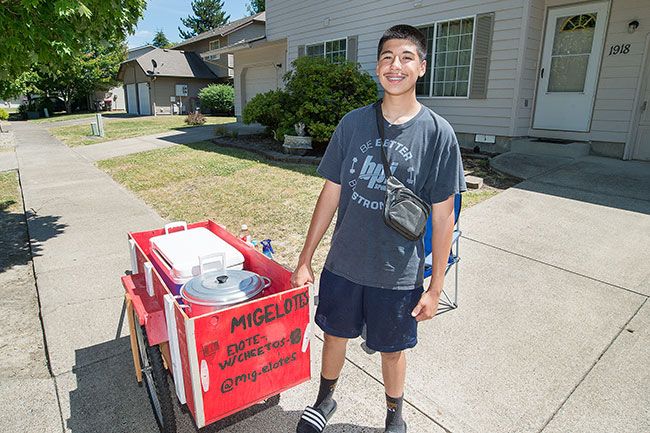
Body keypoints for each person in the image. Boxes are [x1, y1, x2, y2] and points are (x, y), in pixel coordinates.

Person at [291, 24, 467, 433]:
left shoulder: (439, 134)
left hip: (397, 270)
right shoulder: (352, 125)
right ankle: (325, 399)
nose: (396, 65)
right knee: (334, 335)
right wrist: (305, 259)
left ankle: (395, 414)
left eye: (406, 57)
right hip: (344, 262)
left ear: (421, 67)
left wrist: (435, 287)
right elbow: (330, 193)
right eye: (387, 57)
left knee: (393, 349)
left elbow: (444, 218)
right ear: (376, 68)